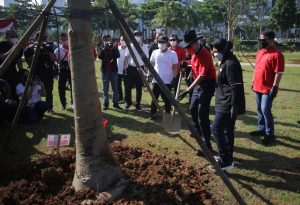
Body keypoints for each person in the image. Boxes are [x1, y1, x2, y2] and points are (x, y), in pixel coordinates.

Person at [210, 39, 245, 170]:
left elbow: (235, 87)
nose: (214, 54)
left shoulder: (230, 63)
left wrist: (234, 106)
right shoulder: (224, 61)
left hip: (228, 103)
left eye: (216, 51)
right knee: (227, 130)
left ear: (223, 50)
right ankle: (228, 156)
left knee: (216, 129)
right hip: (223, 101)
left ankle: (225, 160)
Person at [180, 30, 216, 155]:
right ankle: (199, 132)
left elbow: (202, 75)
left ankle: (207, 146)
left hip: (207, 85)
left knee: (202, 114)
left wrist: (189, 89)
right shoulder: (194, 52)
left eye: (188, 46)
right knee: (193, 108)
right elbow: (195, 65)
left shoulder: (204, 53)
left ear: (195, 43)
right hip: (198, 85)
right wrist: (187, 63)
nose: (187, 49)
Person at [250, 31, 285, 145]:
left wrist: (275, 86)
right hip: (258, 86)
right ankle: (261, 129)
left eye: (263, 40)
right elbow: (257, 68)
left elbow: (278, 72)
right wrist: (253, 81)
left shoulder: (277, 54)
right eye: (260, 40)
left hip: (268, 88)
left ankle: (270, 134)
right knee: (259, 109)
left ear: (271, 39)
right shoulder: (260, 52)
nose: (261, 42)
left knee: (265, 110)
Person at [24, 32, 56, 111]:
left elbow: (54, 59)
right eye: (42, 37)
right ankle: (36, 108)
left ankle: (49, 107)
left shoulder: (48, 47)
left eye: (45, 37)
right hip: (36, 74)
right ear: (36, 38)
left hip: (48, 73)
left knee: (49, 91)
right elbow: (29, 62)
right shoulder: (29, 49)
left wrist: (49, 53)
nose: (44, 39)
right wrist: (36, 53)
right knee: (35, 92)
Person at [149, 35, 178, 119]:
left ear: (167, 43)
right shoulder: (155, 52)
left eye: (163, 42)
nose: (160, 44)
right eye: (159, 42)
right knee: (154, 98)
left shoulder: (173, 53)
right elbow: (151, 64)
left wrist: (174, 78)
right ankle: (152, 113)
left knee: (167, 99)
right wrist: (149, 75)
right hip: (156, 80)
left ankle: (168, 113)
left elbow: (175, 66)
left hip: (167, 80)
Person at [123, 30, 149, 111]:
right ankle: (128, 103)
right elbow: (126, 57)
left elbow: (146, 60)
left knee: (139, 88)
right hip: (131, 68)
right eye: (135, 35)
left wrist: (146, 71)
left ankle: (138, 104)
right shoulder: (130, 46)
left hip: (140, 68)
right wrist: (124, 68)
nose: (137, 36)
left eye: (138, 34)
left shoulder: (145, 47)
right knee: (128, 87)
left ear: (141, 36)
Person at [98, 34, 121, 110]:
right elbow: (99, 56)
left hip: (113, 70)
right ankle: (106, 104)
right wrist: (104, 48)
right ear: (103, 40)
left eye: (107, 39)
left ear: (110, 39)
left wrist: (111, 47)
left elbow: (118, 55)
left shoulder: (114, 46)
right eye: (105, 39)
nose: (106, 41)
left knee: (115, 88)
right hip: (105, 71)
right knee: (105, 89)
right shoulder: (101, 47)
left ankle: (115, 103)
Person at [0, 30, 23, 100]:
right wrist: (14, 48)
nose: (15, 38)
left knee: (19, 91)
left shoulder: (19, 47)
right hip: (3, 73)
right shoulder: (2, 44)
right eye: (12, 36)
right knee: (6, 96)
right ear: (7, 37)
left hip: (13, 73)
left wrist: (21, 72)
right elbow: (3, 58)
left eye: (16, 36)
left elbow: (19, 60)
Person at [54, 33, 73, 110]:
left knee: (73, 86)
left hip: (72, 68)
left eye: (66, 39)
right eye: (63, 39)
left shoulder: (73, 48)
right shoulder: (57, 50)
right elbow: (55, 60)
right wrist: (58, 64)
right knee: (61, 87)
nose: (65, 41)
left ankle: (73, 102)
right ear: (61, 40)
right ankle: (63, 103)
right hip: (63, 68)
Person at [117, 36, 127, 102]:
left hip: (126, 70)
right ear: (120, 41)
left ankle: (126, 98)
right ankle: (120, 97)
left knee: (127, 85)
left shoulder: (129, 49)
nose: (123, 41)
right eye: (121, 40)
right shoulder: (117, 48)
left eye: (124, 40)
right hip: (118, 70)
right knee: (118, 85)